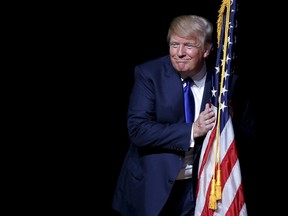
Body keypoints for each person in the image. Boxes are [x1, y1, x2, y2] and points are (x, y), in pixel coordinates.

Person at [112, 15, 254, 216]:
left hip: (199, 190)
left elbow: (249, 133)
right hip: (150, 188)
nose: (179, 53)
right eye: (174, 44)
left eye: (189, 46)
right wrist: (192, 130)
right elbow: (138, 131)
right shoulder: (149, 74)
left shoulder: (225, 81)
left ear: (206, 50)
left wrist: (229, 122)